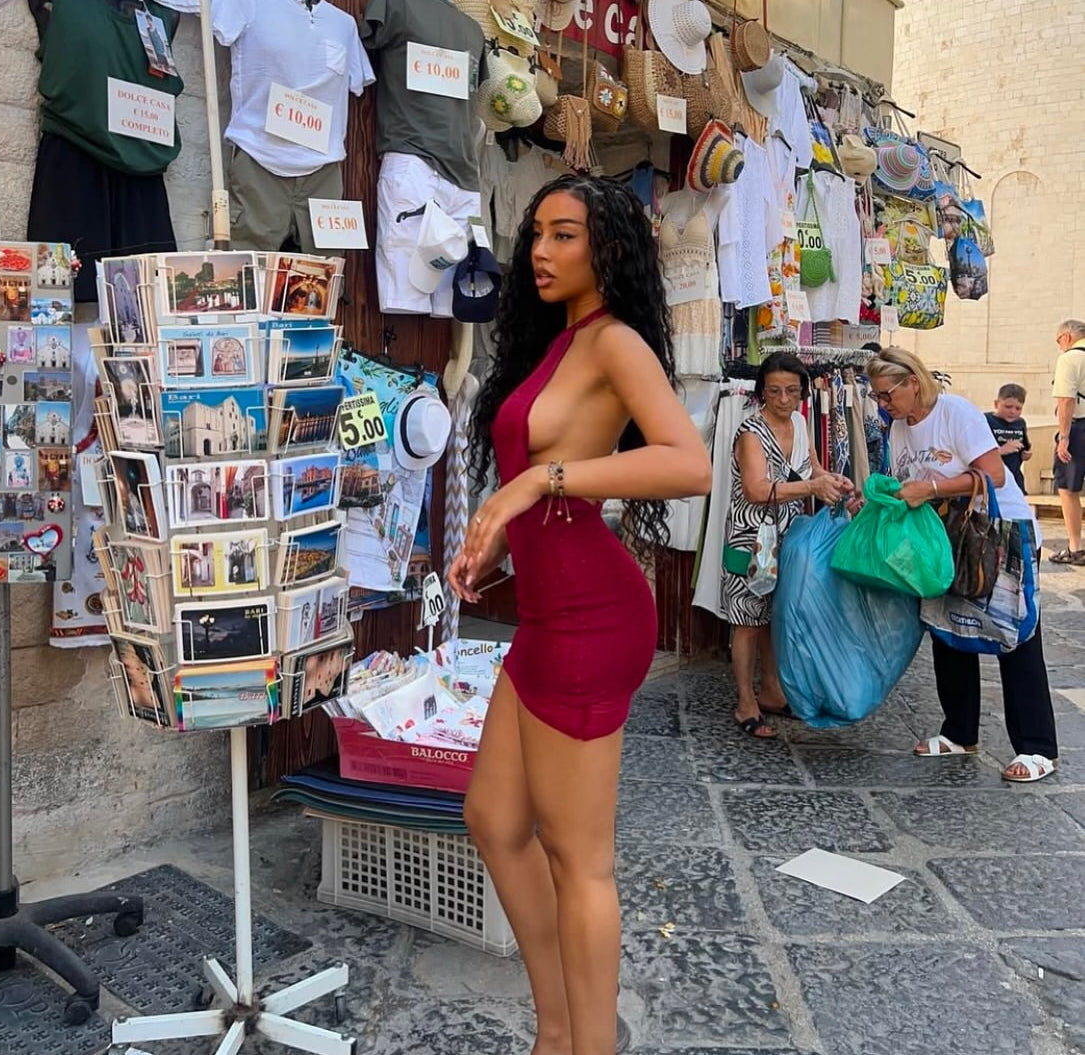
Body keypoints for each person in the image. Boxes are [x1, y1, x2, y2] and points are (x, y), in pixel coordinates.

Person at [451, 175, 710, 1055]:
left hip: (594, 616)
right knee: (492, 818)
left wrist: (541, 479)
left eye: (565, 235)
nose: (541, 251)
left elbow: (688, 463)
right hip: (544, 613)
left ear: (606, 248)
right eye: (536, 235)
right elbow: (537, 483)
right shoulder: (556, 347)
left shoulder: (615, 343)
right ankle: (555, 1029)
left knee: (578, 855)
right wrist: (494, 542)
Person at [866, 346, 1059, 782]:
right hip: (943, 539)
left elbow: (994, 474)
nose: (882, 403)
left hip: (998, 533)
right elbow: (906, 482)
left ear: (913, 382)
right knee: (948, 629)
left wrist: (931, 489)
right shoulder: (898, 427)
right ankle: (959, 731)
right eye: (877, 396)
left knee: (1017, 633)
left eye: (886, 393)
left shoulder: (955, 412)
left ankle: (1037, 747)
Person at [721, 351, 854, 738]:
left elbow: (812, 467)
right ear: (762, 390)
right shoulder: (750, 433)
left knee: (773, 617)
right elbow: (756, 489)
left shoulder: (799, 422)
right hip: (752, 541)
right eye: (775, 391)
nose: (783, 399)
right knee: (747, 621)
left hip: (788, 536)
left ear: (802, 393)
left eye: (792, 391)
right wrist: (812, 487)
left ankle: (772, 691)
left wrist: (836, 483)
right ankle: (746, 701)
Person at [1050, 320, 1085, 564]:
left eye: (1058, 340)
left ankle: (1075, 548)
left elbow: (1066, 400)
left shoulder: (1070, 359)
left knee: (1067, 488)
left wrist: (1064, 437)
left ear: (1068, 337)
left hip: (1080, 430)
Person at [985, 383, 1031, 493]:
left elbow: (1025, 447)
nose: (1013, 411)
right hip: (993, 480)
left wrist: (1026, 454)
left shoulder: (1020, 423)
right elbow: (976, 452)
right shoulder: (985, 421)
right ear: (996, 404)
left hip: (1015, 479)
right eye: (1008, 407)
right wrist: (1000, 451)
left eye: (1018, 408)